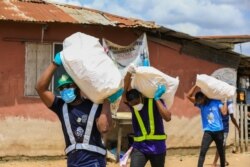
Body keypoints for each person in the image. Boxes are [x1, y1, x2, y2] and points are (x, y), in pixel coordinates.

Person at [35, 53, 112, 167]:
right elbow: (40, 88)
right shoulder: (61, 106)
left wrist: (107, 99)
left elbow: (104, 128)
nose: (64, 90)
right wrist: (55, 63)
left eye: (68, 86)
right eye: (61, 88)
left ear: (78, 86)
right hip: (72, 161)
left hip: (93, 161)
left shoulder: (95, 105)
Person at [122, 66, 171, 167]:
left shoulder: (154, 101)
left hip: (157, 148)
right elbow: (123, 93)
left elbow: (167, 117)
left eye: (137, 102)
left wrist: (157, 98)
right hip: (140, 148)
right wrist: (128, 74)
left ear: (141, 96)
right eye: (133, 104)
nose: (136, 105)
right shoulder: (132, 106)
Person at [187, 85, 228, 167]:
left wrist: (225, 101)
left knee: (221, 152)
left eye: (200, 101)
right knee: (203, 152)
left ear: (204, 97)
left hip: (219, 131)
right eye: (198, 101)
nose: (199, 103)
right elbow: (188, 96)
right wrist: (196, 85)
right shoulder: (200, 105)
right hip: (208, 132)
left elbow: (224, 112)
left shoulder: (216, 102)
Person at [212, 100, 240, 167]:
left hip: (217, 127)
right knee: (221, 145)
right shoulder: (229, 104)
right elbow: (232, 118)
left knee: (222, 145)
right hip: (224, 128)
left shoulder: (216, 102)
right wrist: (237, 127)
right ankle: (214, 163)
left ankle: (223, 160)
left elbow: (212, 115)